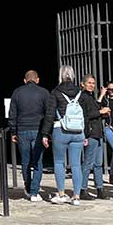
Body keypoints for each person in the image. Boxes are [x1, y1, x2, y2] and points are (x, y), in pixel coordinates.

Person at [40, 66, 86, 204]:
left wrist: (45, 133)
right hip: (78, 132)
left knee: (59, 162)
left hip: (60, 129)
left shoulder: (56, 92)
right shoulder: (80, 93)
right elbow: (86, 114)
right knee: (76, 164)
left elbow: (49, 114)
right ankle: (76, 196)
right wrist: (86, 134)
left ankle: (61, 193)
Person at [8, 70, 52, 202]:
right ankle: (34, 192)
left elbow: (12, 114)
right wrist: (47, 133)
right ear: (37, 80)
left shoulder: (17, 92)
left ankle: (27, 187)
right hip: (38, 130)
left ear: (25, 80)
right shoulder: (44, 92)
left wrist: (13, 131)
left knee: (25, 161)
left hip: (22, 130)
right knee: (38, 162)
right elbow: (49, 114)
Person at [76, 74, 110, 199]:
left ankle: (100, 188)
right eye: (89, 83)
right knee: (88, 162)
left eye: (93, 83)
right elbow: (85, 115)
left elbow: (95, 111)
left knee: (98, 163)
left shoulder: (91, 97)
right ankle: (82, 189)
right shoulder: (82, 97)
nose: (92, 85)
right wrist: (100, 112)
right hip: (91, 133)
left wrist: (102, 113)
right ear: (83, 84)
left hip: (98, 132)